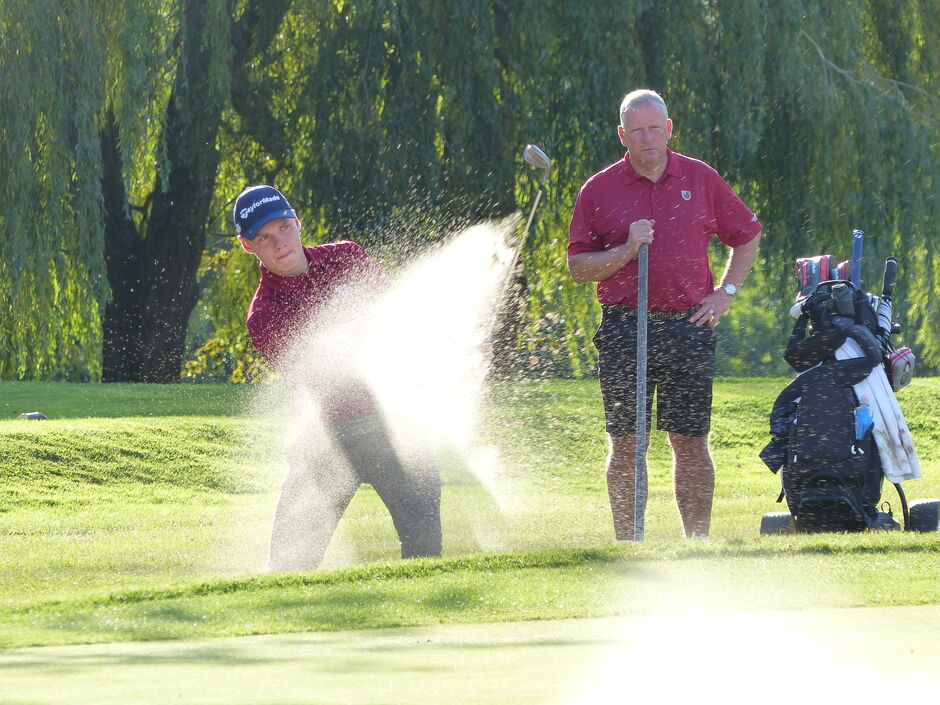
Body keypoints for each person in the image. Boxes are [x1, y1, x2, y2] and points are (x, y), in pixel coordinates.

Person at [567, 90, 762, 540]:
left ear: (669, 129)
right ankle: (628, 544)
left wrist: (726, 293)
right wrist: (628, 248)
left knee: (690, 441)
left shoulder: (701, 178)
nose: (647, 137)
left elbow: (747, 234)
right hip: (624, 327)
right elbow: (579, 269)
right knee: (627, 443)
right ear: (622, 135)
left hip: (687, 326)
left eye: (655, 127)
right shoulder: (598, 189)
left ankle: (698, 544)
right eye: (637, 130)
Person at [234, 184, 442, 570]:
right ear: (248, 245)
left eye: (283, 227)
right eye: (264, 237)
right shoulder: (264, 314)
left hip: (393, 428)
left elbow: (401, 319)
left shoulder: (346, 256)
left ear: (297, 222)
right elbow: (322, 377)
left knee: (425, 555)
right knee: (288, 568)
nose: (279, 242)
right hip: (327, 440)